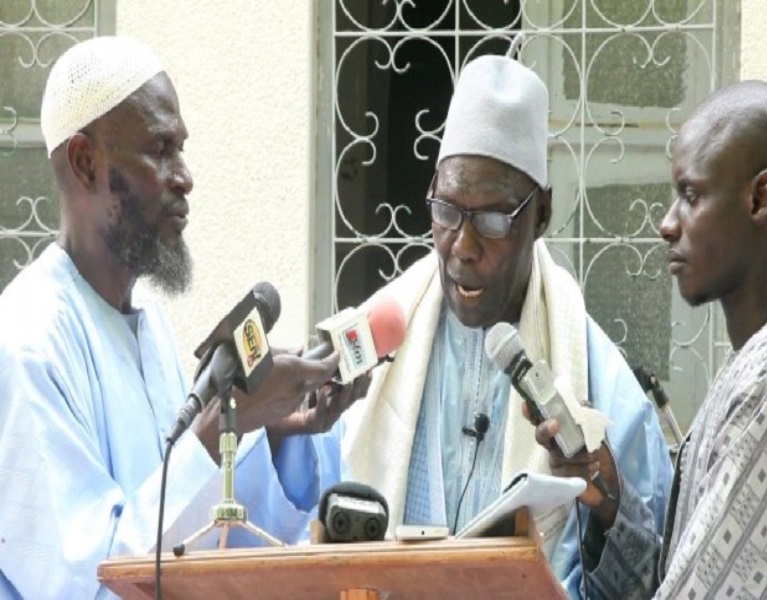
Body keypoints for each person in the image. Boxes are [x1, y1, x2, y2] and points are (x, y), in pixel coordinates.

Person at [0, 36, 360, 599]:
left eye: (181, 149)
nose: (184, 176)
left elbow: (211, 543)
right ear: (84, 161)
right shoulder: (26, 341)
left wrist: (270, 425)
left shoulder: (152, 331)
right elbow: (89, 580)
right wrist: (219, 428)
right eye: (160, 149)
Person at [339, 50, 673, 598]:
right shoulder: (377, 347)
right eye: (446, 211)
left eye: (494, 219)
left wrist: (606, 502)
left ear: (540, 213)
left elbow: (644, 583)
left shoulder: (600, 389)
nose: (462, 248)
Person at [537, 80, 767, 598]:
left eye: (691, 194)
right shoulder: (759, 360)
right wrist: (607, 495)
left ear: (760, 198)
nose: (666, 223)